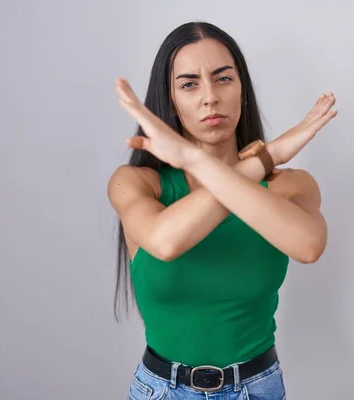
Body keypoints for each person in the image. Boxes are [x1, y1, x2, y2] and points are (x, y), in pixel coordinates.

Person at [108, 21, 337, 399]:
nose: (209, 97)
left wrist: (200, 163)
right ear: (171, 101)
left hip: (258, 389)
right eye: (189, 84)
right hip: (162, 391)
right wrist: (267, 156)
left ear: (242, 90)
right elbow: (165, 242)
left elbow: (309, 246)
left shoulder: (290, 186)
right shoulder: (137, 183)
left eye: (223, 79)